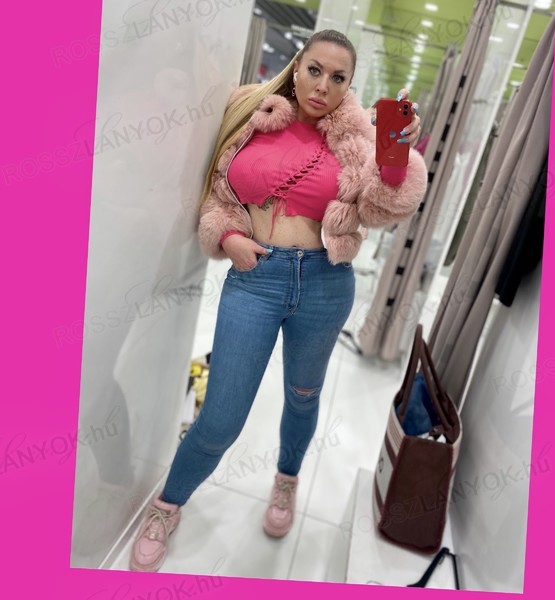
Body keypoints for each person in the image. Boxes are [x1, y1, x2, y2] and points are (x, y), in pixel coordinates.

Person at [129, 29, 428, 572]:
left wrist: (398, 154)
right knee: (221, 415)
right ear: (296, 66)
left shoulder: (359, 139)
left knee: (303, 396)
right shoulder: (251, 113)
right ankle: (167, 504)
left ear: (349, 85)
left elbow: (383, 207)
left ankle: (286, 479)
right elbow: (218, 194)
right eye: (315, 69)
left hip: (324, 284)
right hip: (255, 280)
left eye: (338, 77)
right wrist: (227, 236)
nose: (323, 85)